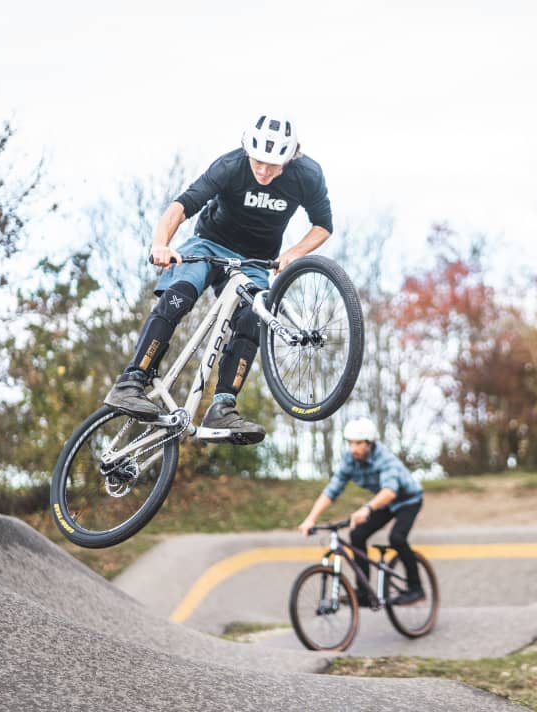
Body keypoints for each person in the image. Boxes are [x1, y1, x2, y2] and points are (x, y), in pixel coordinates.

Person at [104, 114, 333, 443]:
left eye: (274, 165)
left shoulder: (308, 175)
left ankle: (223, 406)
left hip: (254, 261)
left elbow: (323, 225)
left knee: (254, 317)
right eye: (259, 162)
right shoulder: (230, 166)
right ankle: (132, 380)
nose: (265, 171)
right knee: (181, 293)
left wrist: (294, 253)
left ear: (291, 157)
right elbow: (181, 206)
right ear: (247, 150)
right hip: (208, 246)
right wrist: (161, 244)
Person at [297, 418, 425, 606]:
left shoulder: (384, 458)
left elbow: (390, 492)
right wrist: (310, 519)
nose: (353, 448)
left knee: (397, 538)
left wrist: (367, 508)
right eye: (350, 443)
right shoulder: (350, 460)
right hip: (385, 503)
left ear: (370, 443)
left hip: (408, 500)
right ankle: (364, 594)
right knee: (357, 534)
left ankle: (416, 588)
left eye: (358, 443)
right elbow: (331, 491)